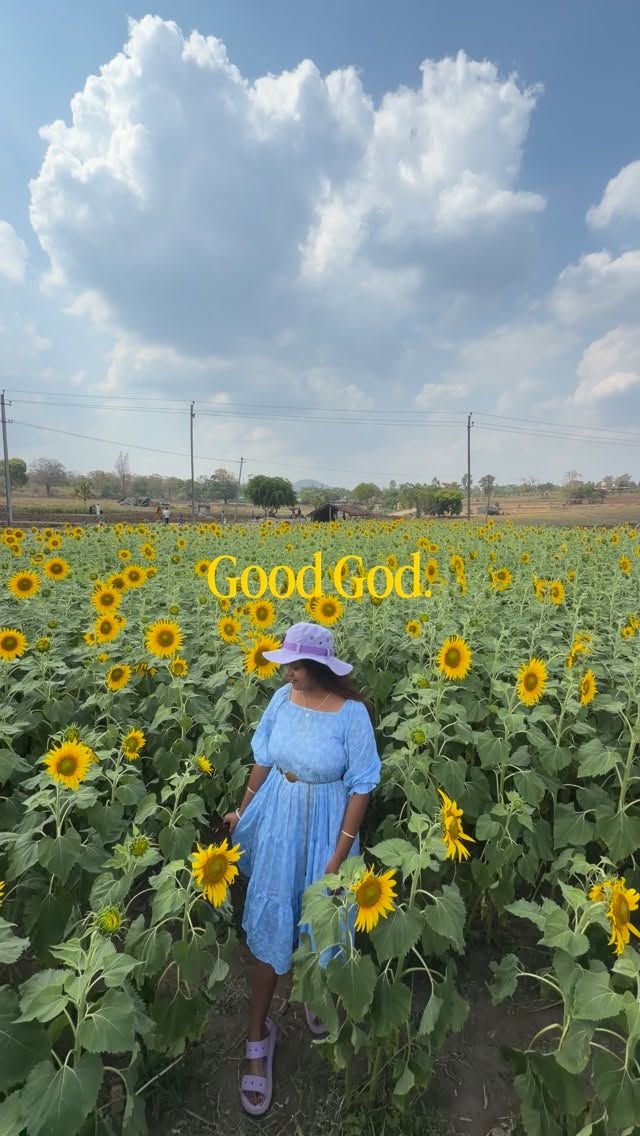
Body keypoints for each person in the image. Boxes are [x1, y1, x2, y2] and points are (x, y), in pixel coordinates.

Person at [223, 622, 380, 1117]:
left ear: (318, 667)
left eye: (294, 664)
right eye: (286, 663)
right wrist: (242, 810)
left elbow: (361, 785)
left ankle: (313, 992)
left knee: (322, 922)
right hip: (280, 821)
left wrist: (338, 855)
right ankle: (258, 1036)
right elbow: (263, 761)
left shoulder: (351, 715)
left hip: (328, 831)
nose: (286, 671)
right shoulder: (281, 700)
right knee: (273, 921)